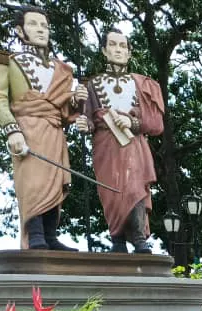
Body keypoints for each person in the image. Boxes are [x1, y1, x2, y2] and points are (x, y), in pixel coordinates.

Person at [0, 6, 79, 251]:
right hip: (27, 129)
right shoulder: (6, 60)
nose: (41, 29)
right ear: (20, 30)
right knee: (33, 182)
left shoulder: (61, 69)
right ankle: (36, 233)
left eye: (44, 25)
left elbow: (64, 109)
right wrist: (11, 129)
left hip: (53, 130)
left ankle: (50, 235)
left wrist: (75, 100)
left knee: (55, 179)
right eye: (34, 24)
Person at [74, 29, 164, 254]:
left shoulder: (143, 84)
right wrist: (85, 125)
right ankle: (116, 237)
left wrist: (132, 122)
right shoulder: (92, 85)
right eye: (113, 45)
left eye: (123, 46)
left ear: (130, 53)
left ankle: (137, 235)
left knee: (134, 187)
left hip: (133, 144)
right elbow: (88, 117)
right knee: (111, 190)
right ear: (104, 50)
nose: (118, 50)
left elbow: (156, 124)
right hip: (106, 146)